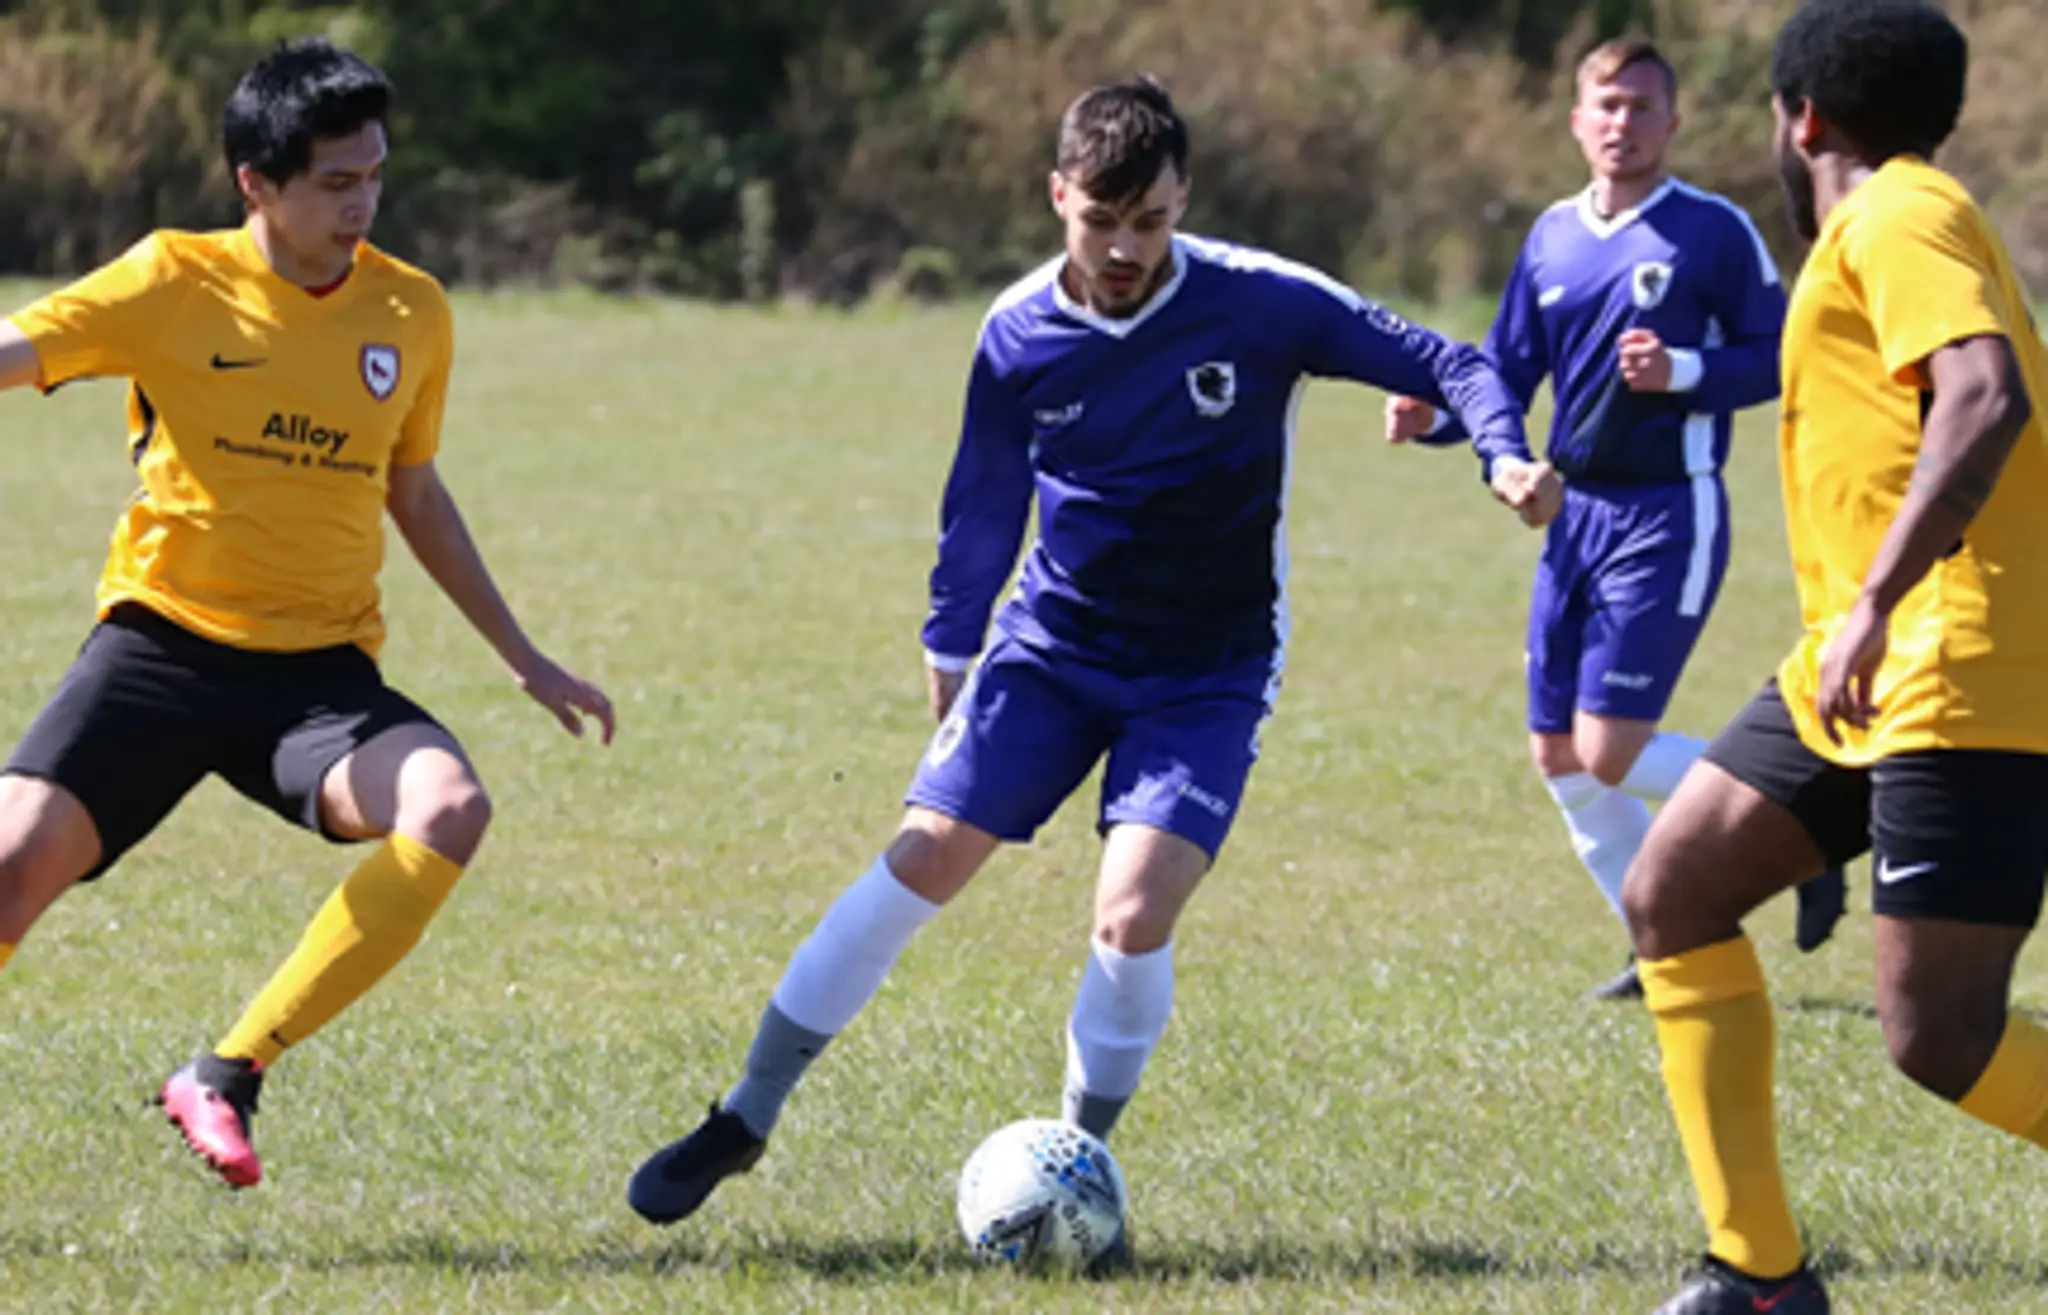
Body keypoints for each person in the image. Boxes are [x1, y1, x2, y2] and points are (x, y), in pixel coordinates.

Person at [625, 75, 1557, 1228]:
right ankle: (744, 1115)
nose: (1123, 248)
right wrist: (950, 638)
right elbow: (980, 495)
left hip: (1206, 666)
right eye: (1097, 221)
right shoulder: (1017, 331)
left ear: (1181, 199)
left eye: (1149, 221)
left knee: (1131, 912)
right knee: (921, 857)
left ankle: (1075, 1162)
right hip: (1051, 646)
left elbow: (1453, 364)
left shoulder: (1261, 303)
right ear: (1057, 194)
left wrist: (1500, 456)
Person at [0, 38, 613, 1190]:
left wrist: (524, 657)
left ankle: (227, 1072)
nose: (362, 202)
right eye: (336, 182)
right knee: (8, 869)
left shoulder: (411, 311)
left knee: (450, 806)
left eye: (374, 174)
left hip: (315, 678)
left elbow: (414, 491)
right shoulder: (171, 281)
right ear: (256, 185)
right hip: (162, 645)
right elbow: (13, 350)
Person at [1621, 3, 2048, 1310]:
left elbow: (1986, 393)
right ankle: (1758, 1273)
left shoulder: (1897, 212)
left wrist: (1873, 599)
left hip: (1951, 666)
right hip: (1861, 668)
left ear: (1800, 116)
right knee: (1674, 888)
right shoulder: (1896, 218)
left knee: (1940, 1038)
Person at [1385, 36, 1844, 1000]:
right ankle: (1658, 944)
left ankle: (1808, 835)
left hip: (1669, 512)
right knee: (1559, 754)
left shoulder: (1711, 232)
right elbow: (1504, 373)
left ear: (1672, 124)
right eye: (1607, 105)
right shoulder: (1551, 236)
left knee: (1610, 748)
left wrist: (1680, 372)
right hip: (1571, 516)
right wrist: (1436, 419)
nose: (1623, 124)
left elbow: (1782, 353)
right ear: (1577, 121)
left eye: (1642, 107)